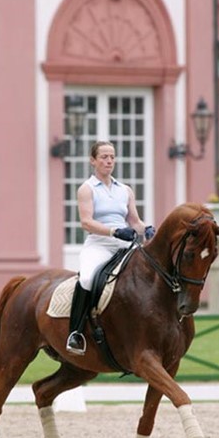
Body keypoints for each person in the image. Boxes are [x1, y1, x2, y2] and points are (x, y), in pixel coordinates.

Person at [66, 140, 155, 355]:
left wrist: (147, 229)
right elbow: (86, 222)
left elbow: (134, 221)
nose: (109, 161)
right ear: (93, 160)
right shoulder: (86, 189)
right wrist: (114, 231)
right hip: (99, 244)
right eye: (104, 157)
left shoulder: (124, 190)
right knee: (87, 278)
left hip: (124, 246)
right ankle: (75, 333)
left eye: (112, 157)